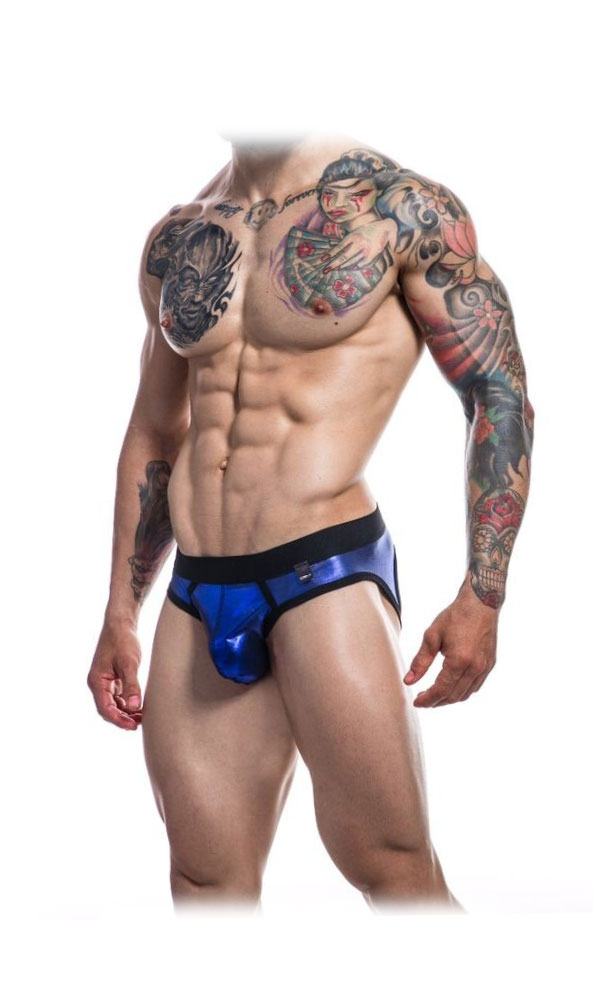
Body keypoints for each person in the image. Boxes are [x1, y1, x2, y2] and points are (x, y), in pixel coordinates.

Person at [87, 130, 534, 912]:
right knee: (205, 883)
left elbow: (497, 394)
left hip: (323, 568)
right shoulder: (180, 234)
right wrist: (120, 612)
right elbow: (156, 431)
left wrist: (483, 594)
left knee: (393, 870)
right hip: (199, 587)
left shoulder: (401, 209)